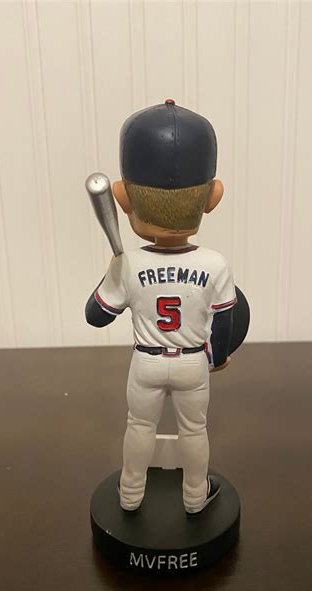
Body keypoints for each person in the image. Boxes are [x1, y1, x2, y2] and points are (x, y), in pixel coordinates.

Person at [85, 100, 235, 514]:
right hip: (192, 363)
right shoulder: (215, 263)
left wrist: (114, 271)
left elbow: (95, 316)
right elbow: (225, 321)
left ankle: (130, 495)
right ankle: (195, 497)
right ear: (213, 197)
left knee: (139, 427)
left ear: (122, 197)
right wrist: (218, 358)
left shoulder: (128, 264)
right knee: (195, 431)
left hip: (146, 363)